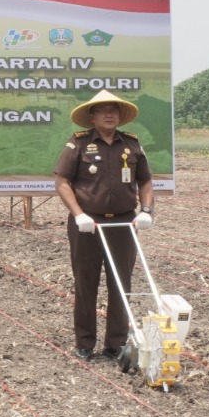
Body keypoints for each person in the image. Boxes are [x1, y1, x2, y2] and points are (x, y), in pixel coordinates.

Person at [53, 90, 154, 361]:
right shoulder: (79, 144)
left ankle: (116, 344)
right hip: (87, 223)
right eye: (103, 109)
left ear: (121, 116)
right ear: (92, 116)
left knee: (121, 283)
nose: (110, 114)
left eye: (114, 110)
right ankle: (85, 343)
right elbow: (62, 182)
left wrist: (146, 210)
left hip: (123, 222)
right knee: (85, 283)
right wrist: (78, 215)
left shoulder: (131, 145)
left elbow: (145, 180)